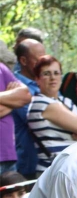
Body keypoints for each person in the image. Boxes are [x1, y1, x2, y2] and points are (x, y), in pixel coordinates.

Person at [28, 55, 77, 174]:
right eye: (46, 74)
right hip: (52, 172)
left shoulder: (67, 101)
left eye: (56, 73)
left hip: (72, 169)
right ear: (37, 79)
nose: (53, 77)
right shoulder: (40, 103)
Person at [12, 38, 46, 178]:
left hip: (50, 161)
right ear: (23, 61)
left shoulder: (46, 81)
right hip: (29, 164)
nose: (44, 63)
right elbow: (39, 118)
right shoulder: (14, 86)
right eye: (38, 59)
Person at [0, 62, 31, 174]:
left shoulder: (1, 68)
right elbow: (17, 100)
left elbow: (25, 95)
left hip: (9, 157)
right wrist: (11, 101)